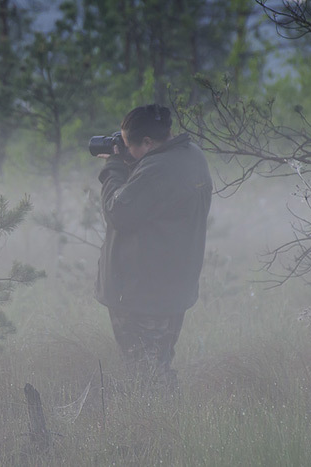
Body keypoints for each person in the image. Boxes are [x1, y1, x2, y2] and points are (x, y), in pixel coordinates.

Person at [95, 104, 212, 390]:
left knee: (145, 374)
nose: (124, 149)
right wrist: (133, 163)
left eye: (127, 145)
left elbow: (118, 212)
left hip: (143, 292)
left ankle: (159, 416)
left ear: (147, 142)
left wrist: (113, 166)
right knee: (158, 363)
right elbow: (158, 203)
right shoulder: (191, 155)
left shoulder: (157, 169)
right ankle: (168, 412)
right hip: (172, 287)